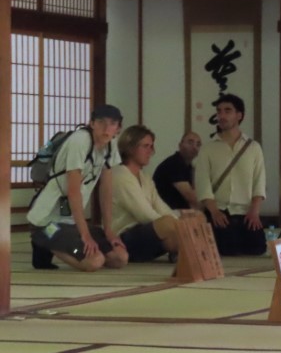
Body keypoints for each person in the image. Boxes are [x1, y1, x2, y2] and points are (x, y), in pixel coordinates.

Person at [27, 104, 129, 272]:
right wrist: (85, 235)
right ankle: (45, 242)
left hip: (69, 222)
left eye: (112, 123)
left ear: (118, 128)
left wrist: (109, 230)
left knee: (120, 258)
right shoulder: (80, 141)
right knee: (94, 261)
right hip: (46, 224)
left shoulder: (110, 144)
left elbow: (106, 189)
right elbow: (73, 191)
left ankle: (65, 243)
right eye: (101, 122)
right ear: (92, 123)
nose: (106, 128)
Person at [195, 93, 267, 256]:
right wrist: (214, 211)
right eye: (219, 111)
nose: (222, 115)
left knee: (257, 249)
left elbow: (259, 182)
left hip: (246, 212)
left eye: (227, 111)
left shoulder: (253, 147)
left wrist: (254, 211)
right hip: (219, 212)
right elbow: (203, 184)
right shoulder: (208, 149)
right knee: (223, 250)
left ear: (239, 115)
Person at [112, 125, 181, 262]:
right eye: (145, 146)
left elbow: (161, 207)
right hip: (124, 237)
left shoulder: (145, 178)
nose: (150, 151)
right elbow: (144, 214)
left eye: (151, 146)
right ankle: (182, 251)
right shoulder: (120, 175)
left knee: (195, 218)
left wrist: (180, 222)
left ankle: (182, 252)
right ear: (130, 148)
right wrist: (175, 225)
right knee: (168, 223)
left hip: (146, 232)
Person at [153, 131, 203, 210]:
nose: (194, 147)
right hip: (166, 212)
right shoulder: (174, 164)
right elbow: (192, 198)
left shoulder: (189, 167)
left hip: (180, 211)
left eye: (198, 144)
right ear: (180, 145)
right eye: (190, 142)